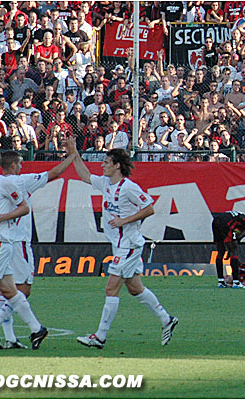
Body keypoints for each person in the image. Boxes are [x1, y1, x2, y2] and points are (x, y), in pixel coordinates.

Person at [67, 140, 178, 348]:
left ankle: (100, 336)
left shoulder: (129, 187)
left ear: (117, 165)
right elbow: (84, 175)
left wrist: (124, 220)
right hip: (120, 244)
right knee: (135, 288)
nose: (102, 165)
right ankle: (167, 319)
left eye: (107, 162)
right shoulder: (106, 183)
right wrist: (74, 154)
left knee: (111, 288)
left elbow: (149, 208)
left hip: (129, 244)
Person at [0, 150, 76, 349]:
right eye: (20, 163)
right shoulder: (22, 181)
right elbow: (54, 173)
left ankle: (9, 338)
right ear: (13, 165)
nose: (22, 166)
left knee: (5, 288)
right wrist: (72, 156)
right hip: (19, 242)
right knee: (23, 289)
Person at [0, 146, 49, 350]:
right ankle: (37, 328)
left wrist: (3, 217)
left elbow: (24, 207)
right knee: (9, 290)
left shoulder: (5, 183)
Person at [211, 211, 245, 288]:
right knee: (234, 252)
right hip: (226, 223)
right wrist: (232, 248)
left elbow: (236, 239)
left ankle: (221, 281)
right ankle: (236, 282)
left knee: (220, 251)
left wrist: (231, 247)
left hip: (216, 220)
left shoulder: (240, 221)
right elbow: (241, 235)